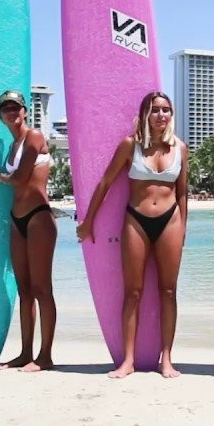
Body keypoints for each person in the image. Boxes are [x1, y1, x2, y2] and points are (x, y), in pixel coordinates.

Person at [77, 91, 188, 379]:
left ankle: (167, 359)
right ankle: (128, 360)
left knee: (168, 291)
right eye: (155, 110)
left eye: (166, 110)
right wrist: (89, 221)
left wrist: (183, 228)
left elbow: (183, 192)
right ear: (145, 115)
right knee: (133, 292)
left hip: (170, 221)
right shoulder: (130, 146)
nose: (161, 115)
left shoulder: (180, 148)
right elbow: (105, 182)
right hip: (136, 220)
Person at [0, 90, 57, 372]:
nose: (11, 111)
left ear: (25, 111)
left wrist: (0, 178)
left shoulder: (35, 137)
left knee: (43, 289)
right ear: (0, 115)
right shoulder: (12, 145)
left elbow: (21, 178)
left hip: (38, 217)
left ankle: (45, 357)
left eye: (16, 107)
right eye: (6, 108)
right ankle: (25, 352)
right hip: (17, 219)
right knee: (24, 290)